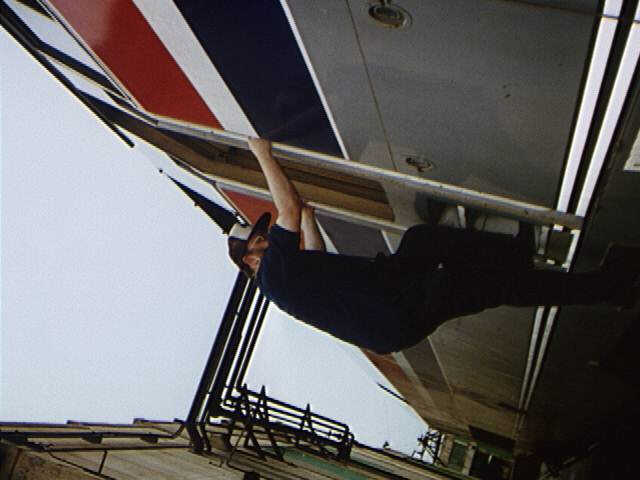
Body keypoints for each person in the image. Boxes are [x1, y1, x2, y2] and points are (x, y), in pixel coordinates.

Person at [227, 138, 638, 355]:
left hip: (390, 290)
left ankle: (516, 254)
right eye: (261, 239)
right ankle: (608, 287)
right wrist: (262, 154)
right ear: (251, 259)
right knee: (489, 286)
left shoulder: (287, 277)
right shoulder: (273, 277)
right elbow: (287, 208)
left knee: (422, 240)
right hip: (394, 312)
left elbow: (314, 254)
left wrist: (309, 220)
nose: (268, 238)